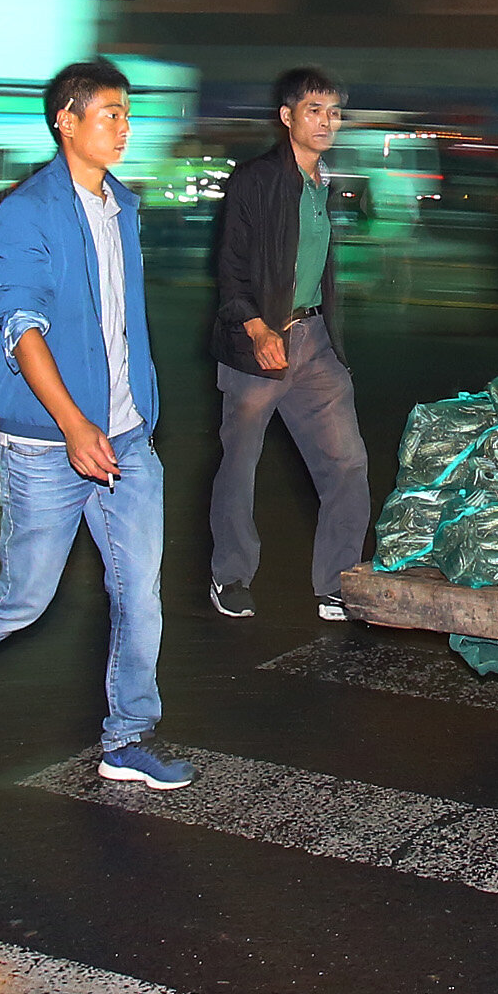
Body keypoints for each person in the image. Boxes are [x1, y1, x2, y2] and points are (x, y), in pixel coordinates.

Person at [0, 59, 188, 791]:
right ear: (67, 122)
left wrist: (133, 413)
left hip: (126, 439)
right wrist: (75, 425)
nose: (124, 127)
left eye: (127, 114)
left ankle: (128, 736)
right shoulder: (25, 213)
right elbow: (22, 330)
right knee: (24, 597)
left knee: (140, 593)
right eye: (110, 113)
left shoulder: (124, 209)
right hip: (48, 446)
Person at [207, 67, 372, 624]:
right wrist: (257, 329)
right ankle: (230, 575)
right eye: (313, 111)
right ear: (287, 117)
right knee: (240, 464)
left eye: (334, 112)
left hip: (315, 341)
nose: (326, 122)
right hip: (260, 343)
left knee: (347, 463)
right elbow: (230, 267)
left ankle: (338, 583)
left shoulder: (324, 183)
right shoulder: (256, 179)